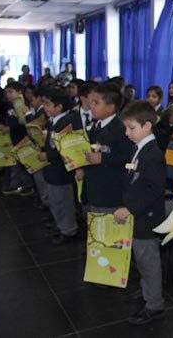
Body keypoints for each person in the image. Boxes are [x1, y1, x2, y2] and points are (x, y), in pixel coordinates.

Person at [114, 101, 166, 325]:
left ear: (146, 126)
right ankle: (146, 291)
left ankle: (154, 304)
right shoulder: (139, 148)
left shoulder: (152, 154)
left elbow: (154, 190)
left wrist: (131, 208)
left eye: (131, 128)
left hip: (147, 216)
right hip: (138, 214)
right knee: (141, 259)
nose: (127, 133)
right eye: (126, 128)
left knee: (148, 262)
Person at [81, 83, 132, 214]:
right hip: (93, 190)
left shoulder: (121, 129)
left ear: (110, 108)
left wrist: (103, 158)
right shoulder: (95, 124)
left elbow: (129, 159)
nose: (91, 106)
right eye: (92, 102)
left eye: (96, 103)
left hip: (111, 194)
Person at [39, 88, 80, 245]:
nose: (45, 107)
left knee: (63, 201)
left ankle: (68, 230)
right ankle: (61, 225)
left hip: (61, 171)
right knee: (55, 200)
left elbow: (66, 149)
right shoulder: (52, 121)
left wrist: (48, 155)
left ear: (59, 106)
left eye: (48, 104)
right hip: (52, 169)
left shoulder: (67, 122)